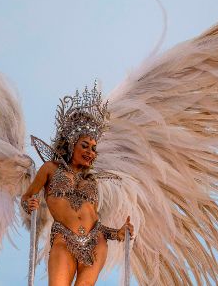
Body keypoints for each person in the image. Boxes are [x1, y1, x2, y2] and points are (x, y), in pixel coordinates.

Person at [20, 87, 135, 286]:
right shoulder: (50, 168)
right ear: (71, 144)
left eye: (94, 148)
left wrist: (117, 233)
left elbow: (95, 220)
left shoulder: (91, 181)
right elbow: (26, 197)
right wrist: (28, 204)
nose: (90, 152)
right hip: (63, 238)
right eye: (85, 145)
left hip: (96, 240)